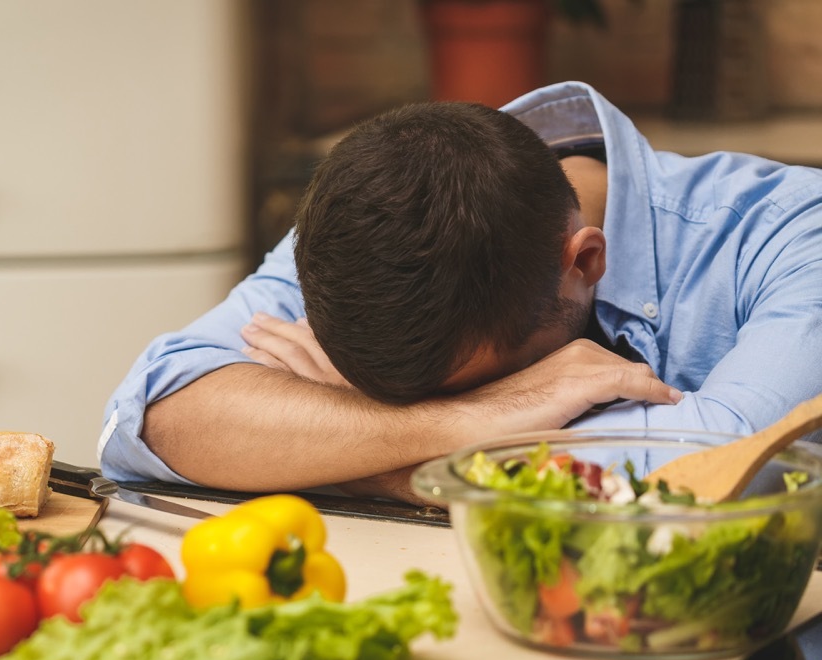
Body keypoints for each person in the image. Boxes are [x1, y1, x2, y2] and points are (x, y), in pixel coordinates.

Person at [97, 81, 822, 503]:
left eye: (497, 379)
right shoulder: (380, 219)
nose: (494, 407)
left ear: (585, 261)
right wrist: (473, 419)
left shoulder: (795, 235)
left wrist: (333, 445)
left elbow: (719, 474)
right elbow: (151, 417)